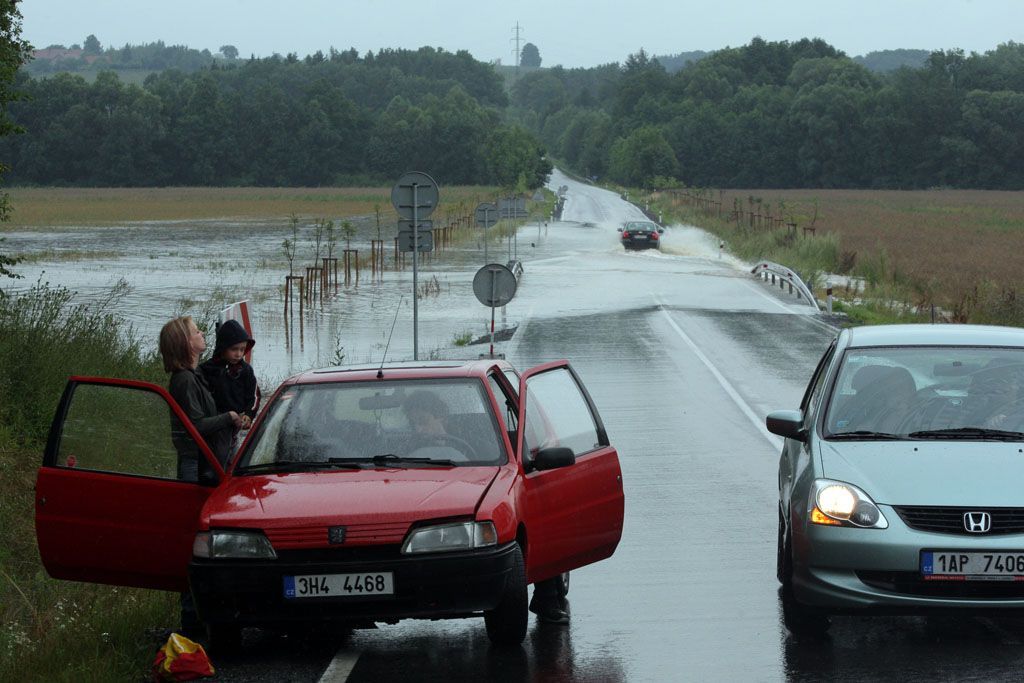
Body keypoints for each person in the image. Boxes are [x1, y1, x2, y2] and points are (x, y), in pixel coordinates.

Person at [159, 316, 243, 479]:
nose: (202, 333)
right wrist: (229, 417)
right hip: (196, 466)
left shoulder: (195, 375)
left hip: (206, 462)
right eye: (197, 331)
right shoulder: (185, 380)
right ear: (187, 342)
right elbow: (195, 426)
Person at [199, 319, 260, 448]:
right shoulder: (207, 369)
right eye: (234, 349)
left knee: (231, 452)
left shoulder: (246, 370)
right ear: (223, 348)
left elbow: (254, 395)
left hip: (236, 421)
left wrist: (249, 414)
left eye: (242, 350)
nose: (238, 354)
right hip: (215, 422)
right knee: (220, 455)